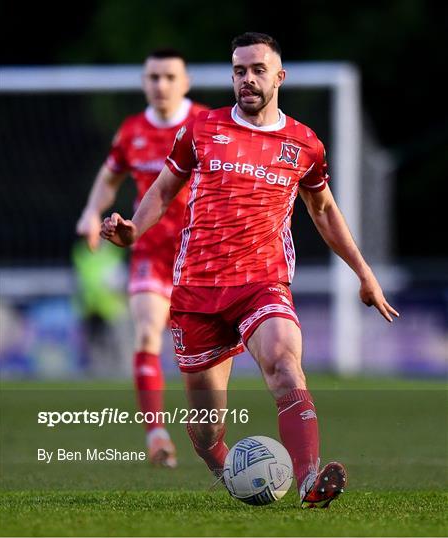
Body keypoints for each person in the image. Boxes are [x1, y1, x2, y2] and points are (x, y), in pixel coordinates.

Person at [100, 32, 399, 508]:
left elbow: (323, 210)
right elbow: (160, 190)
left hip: (261, 282)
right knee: (204, 429)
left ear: (279, 76)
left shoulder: (303, 144)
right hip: (197, 290)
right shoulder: (201, 129)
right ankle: (229, 470)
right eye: (239, 70)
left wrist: (364, 273)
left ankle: (308, 480)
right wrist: (134, 229)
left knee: (284, 364)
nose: (248, 79)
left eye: (258, 69)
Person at [76, 48, 207, 467]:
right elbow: (110, 174)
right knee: (148, 332)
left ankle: (210, 442)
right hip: (148, 249)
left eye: (170, 77)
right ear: (144, 82)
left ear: (185, 83)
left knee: (201, 359)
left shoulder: (207, 125)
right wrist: (90, 212)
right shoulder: (132, 130)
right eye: (153, 77)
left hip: (200, 255)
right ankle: (156, 435)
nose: (160, 85)